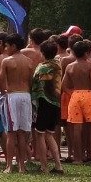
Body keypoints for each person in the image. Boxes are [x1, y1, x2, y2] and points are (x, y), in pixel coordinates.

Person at [62, 40, 91, 165]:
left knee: (76, 128)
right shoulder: (90, 66)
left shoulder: (70, 67)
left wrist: (72, 93)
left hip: (75, 95)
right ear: (86, 53)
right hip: (89, 95)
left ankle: (78, 157)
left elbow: (64, 85)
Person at [0, 33, 32, 173]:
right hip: (26, 95)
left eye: (7, 46)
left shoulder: (7, 61)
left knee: (11, 132)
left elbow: (1, 81)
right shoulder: (29, 61)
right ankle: (21, 166)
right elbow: (31, 81)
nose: (5, 48)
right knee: (22, 132)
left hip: (12, 95)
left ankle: (9, 165)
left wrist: (4, 92)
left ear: (13, 46)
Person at [31, 40, 64, 174]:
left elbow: (35, 82)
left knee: (40, 134)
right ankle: (58, 165)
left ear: (43, 53)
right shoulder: (57, 65)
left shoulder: (42, 68)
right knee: (49, 135)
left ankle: (44, 166)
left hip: (44, 102)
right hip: (55, 102)